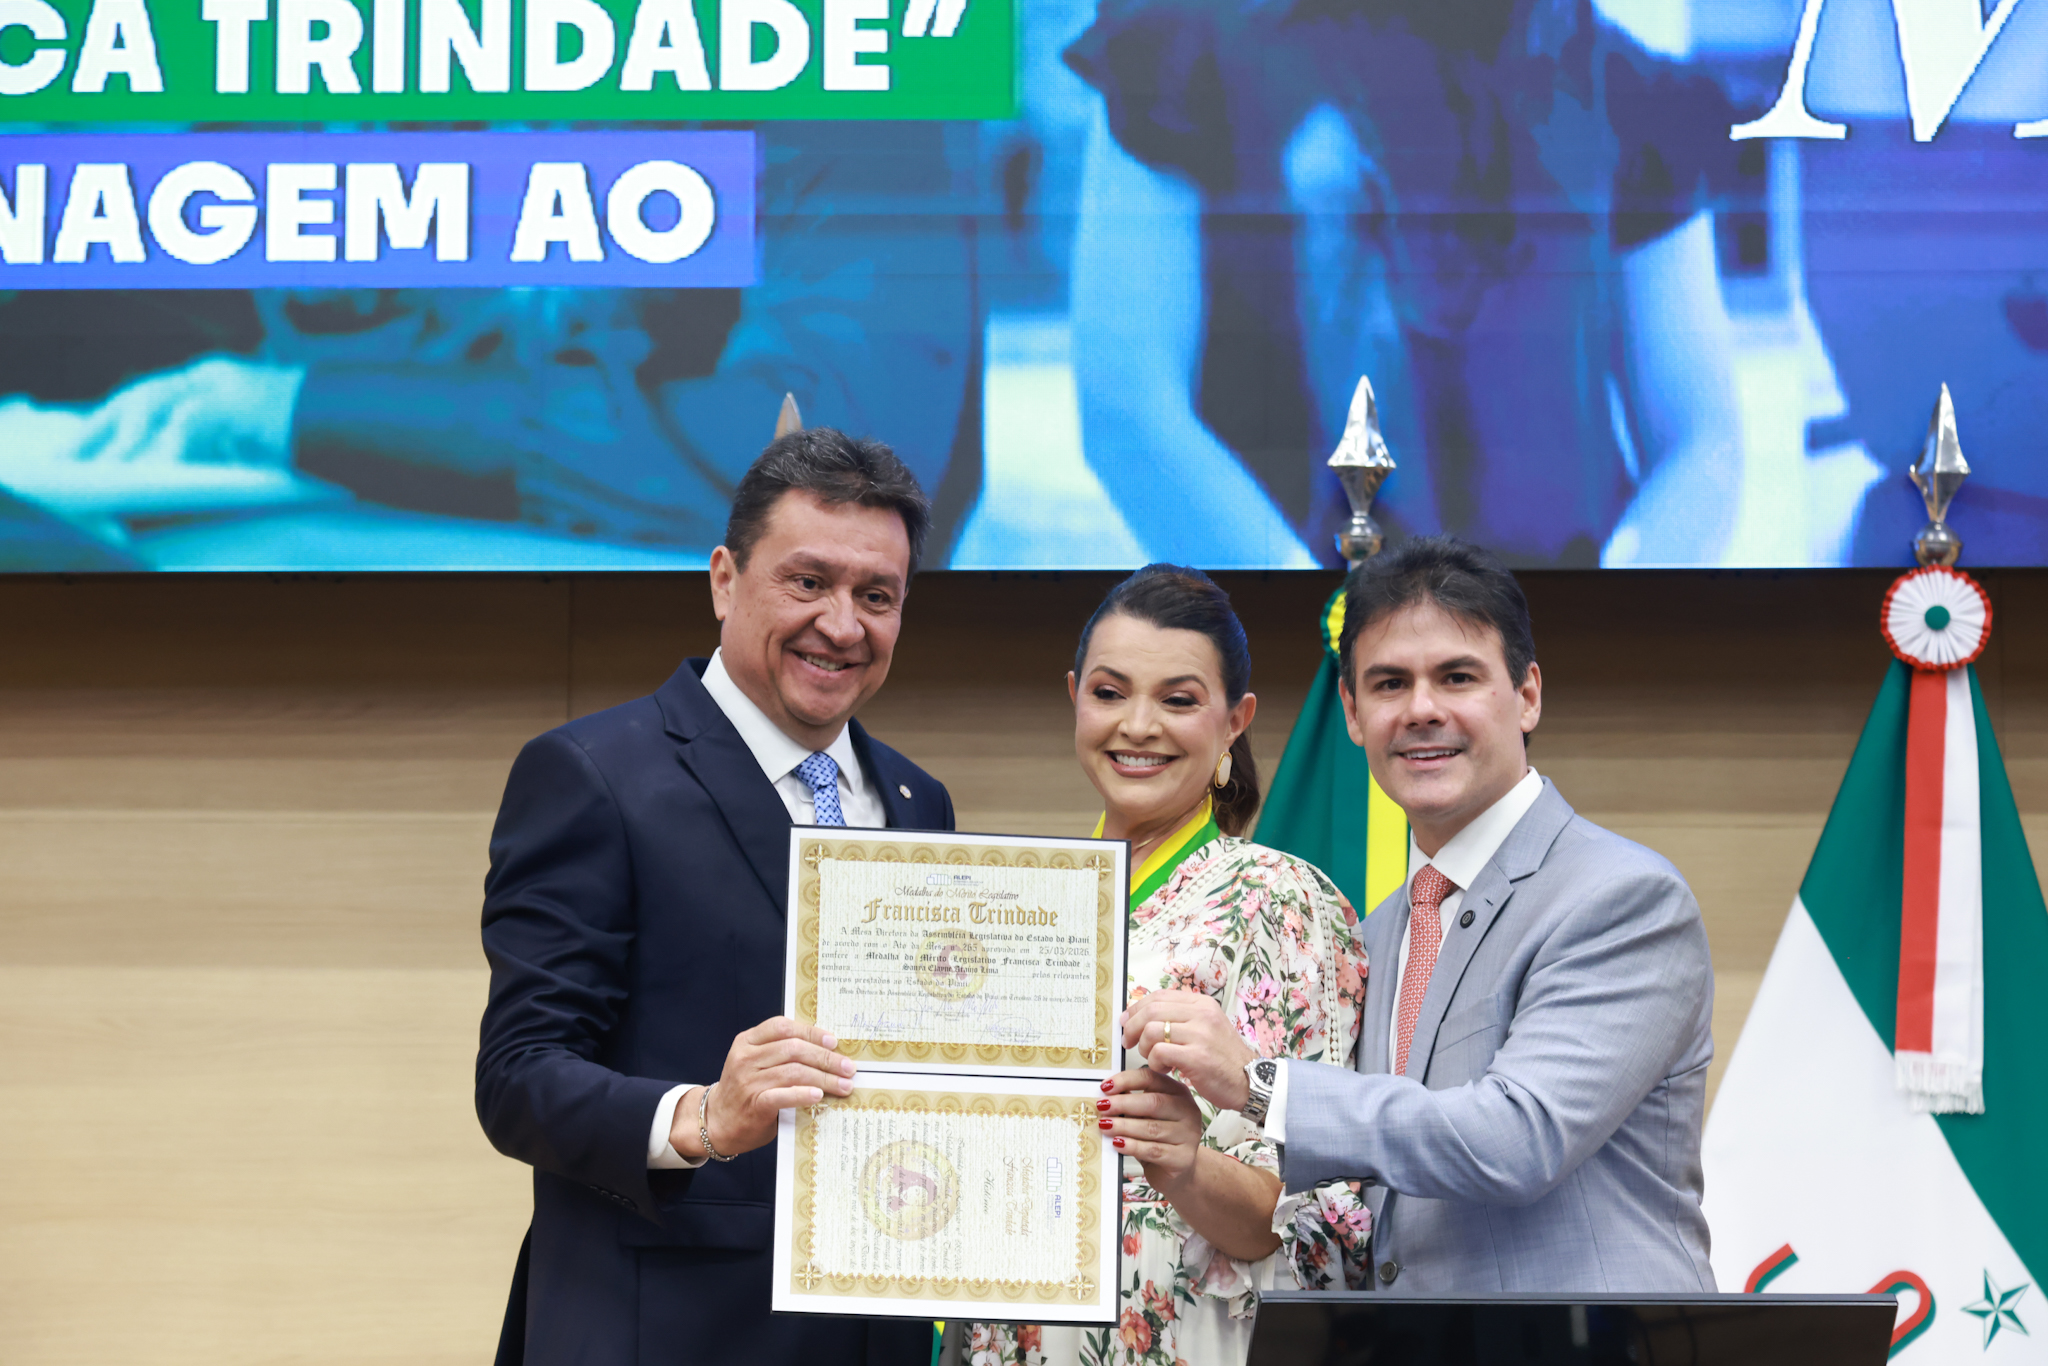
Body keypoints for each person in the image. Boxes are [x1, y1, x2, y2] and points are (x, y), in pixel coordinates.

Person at [475, 428, 954, 1366]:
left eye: (877, 596)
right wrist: (703, 1117)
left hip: (875, 1327)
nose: (843, 626)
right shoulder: (593, 775)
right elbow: (518, 1079)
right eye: (808, 582)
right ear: (725, 580)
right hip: (666, 1328)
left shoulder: (916, 799)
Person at [1127, 536, 1715, 1292]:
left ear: (1527, 695)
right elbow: (1358, 1204)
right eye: (1390, 684)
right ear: (1352, 712)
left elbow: (1518, 1140)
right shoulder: (1377, 931)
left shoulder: (1621, 897)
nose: (1422, 710)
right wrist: (1185, 1162)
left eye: (1457, 677)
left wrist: (1262, 1082)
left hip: (1598, 1342)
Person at [1062, 0, 1747, 567]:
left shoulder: (1620, 86)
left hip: (1553, 654)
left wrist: (1607, 629)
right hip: (1296, 650)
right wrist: (1315, 642)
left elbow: (1702, 434)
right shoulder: (1181, 49)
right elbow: (1126, 406)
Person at [968, 565, 1370, 1366]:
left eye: (1178, 700)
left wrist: (1185, 1167)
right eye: (1109, 693)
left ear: (1234, 722)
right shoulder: (1022, 907)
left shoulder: (1280, 900)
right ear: (1075, 698)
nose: (1138, 725)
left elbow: (1327, 1225)